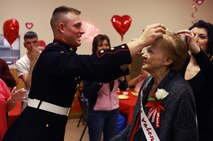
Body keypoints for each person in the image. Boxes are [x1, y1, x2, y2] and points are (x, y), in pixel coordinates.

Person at [3, 6, 166, 141]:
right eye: (77, 26)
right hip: (34, 130)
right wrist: (140, 42)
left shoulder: (64, 54)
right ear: (61, 27)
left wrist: (130, 53)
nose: (82, 31)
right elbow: (92, 63)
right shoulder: (53, 55)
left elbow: (100, 75)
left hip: (50, 125)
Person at [111, 31, 198, 141]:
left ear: (168, 60)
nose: (144, 55)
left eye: (150, 52)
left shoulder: (182, 92)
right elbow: (135, 126)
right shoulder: (147, 82)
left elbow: (186, 137)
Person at [83, 34, 128, 141]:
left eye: (106, 45)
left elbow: (124, 88)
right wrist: (100, 81)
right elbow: (87, 93)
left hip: (114, 110)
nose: (104, 47)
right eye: (100, 45)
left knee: (111, 139)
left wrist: (121, 78)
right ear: (95, 48)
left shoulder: (116, 64)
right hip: (96, 112)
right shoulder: (90, 66)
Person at [176, 20, 213, 141]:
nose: (194, 39)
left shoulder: (209, 67)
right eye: (192, 35)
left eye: (201, 37)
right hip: (178, 127)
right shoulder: (182, 62)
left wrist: (197, 51)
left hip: (202, 132)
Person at [16, 31, 44, 109]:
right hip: (30, 101)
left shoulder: (45, 57)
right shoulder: (20, 62)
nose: (32, 45)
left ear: (38, 43)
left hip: (46, 100)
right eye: (28, 43)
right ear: (24, 45)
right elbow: (30, 83)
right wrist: (33, 61)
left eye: (34, 42)